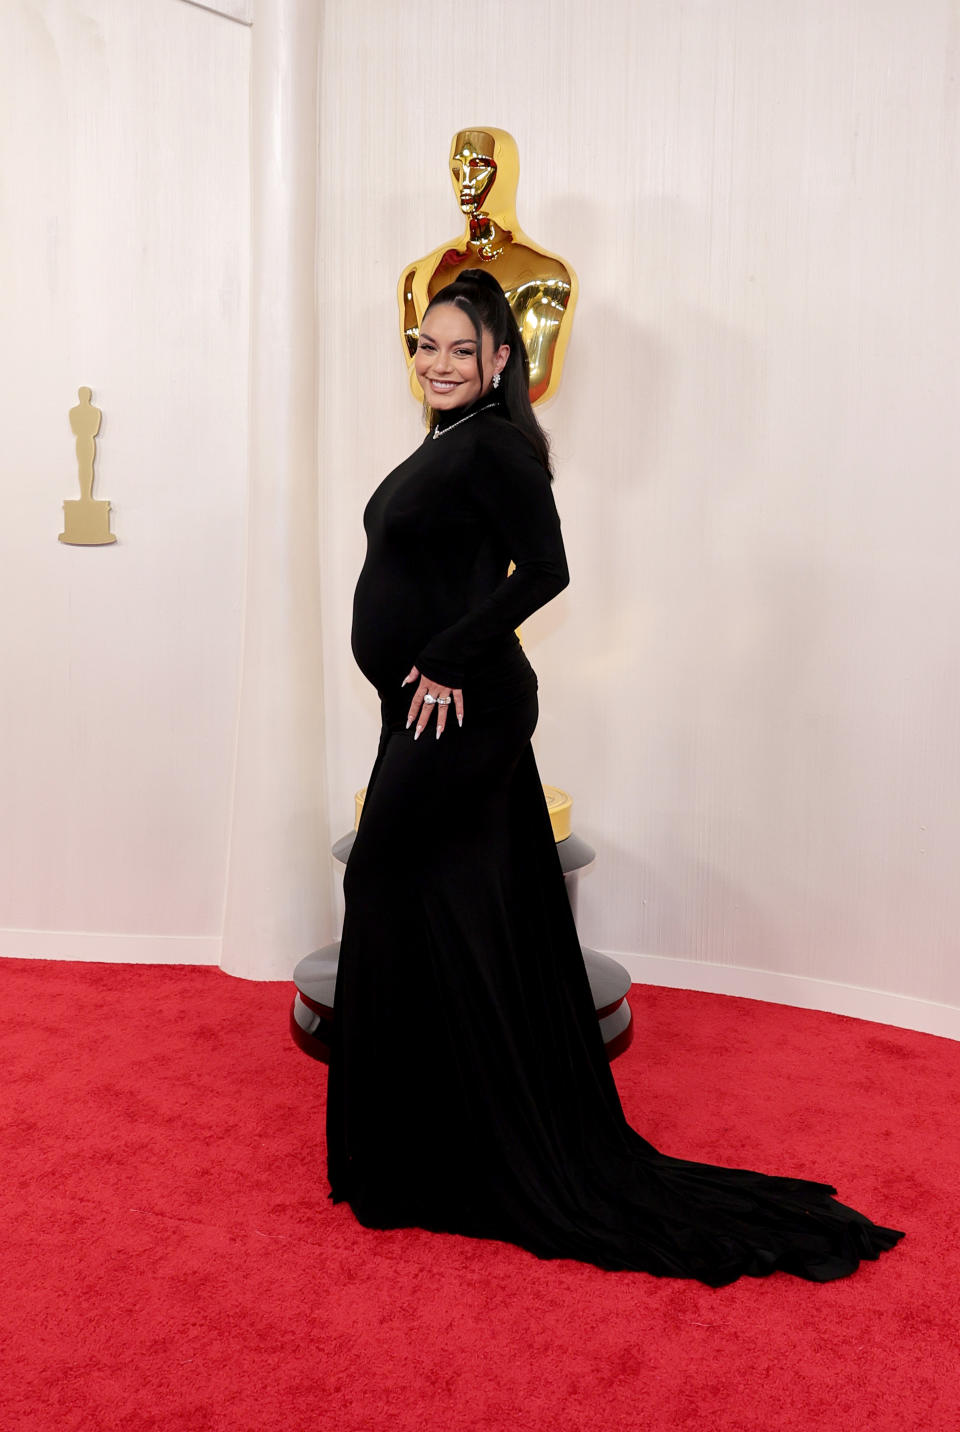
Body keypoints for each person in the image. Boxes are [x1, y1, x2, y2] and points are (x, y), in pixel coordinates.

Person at [326, 269, 903, 1285]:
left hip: (462, 709)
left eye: (465, 350)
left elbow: (545, 568)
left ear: (503, 361)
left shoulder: (498, 444)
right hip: (421, 707)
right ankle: (431, 1143)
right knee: (444, 909)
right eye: (429, 345)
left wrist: (453, 652)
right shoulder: (445, 441)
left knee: (385, 887)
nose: (442, 364)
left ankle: (435, 1148)